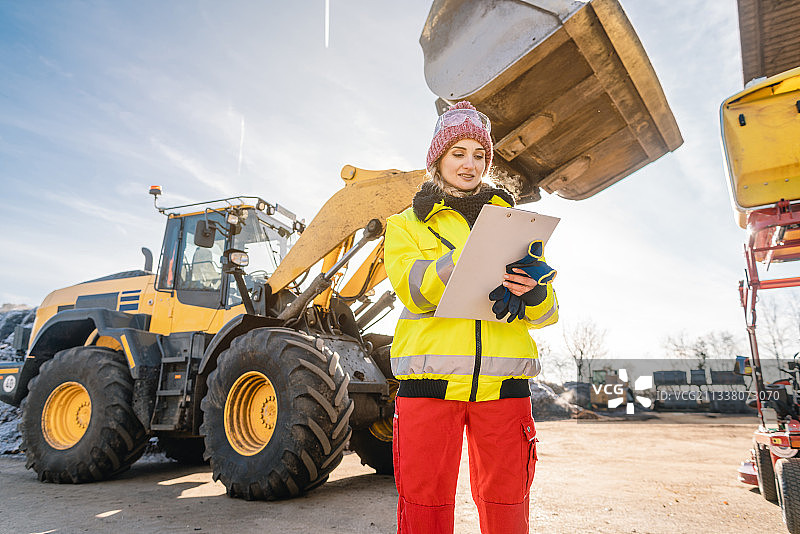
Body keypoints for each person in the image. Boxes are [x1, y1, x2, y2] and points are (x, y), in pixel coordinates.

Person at [384, 100, 559, 534]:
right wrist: (459, 262)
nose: (470, 164)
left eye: (479, 155)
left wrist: (535, 292)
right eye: (458, 153)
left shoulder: (517, 224)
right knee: (424, 505)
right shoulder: (406, 224)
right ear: (437, 159)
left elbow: (547, 313)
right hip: (430, 385)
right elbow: (411, 289)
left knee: (508, 505)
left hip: (504, 388)